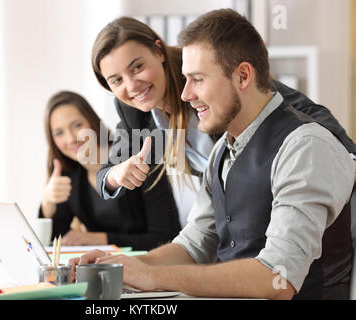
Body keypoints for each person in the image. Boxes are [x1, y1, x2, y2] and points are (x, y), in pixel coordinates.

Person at [72, 9, 355, 300]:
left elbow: (277, 276)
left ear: (243, 75)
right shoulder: (223, 150)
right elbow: (194, 245)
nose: (185, 94)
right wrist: (117, 268)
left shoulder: (303, 143)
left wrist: (153, 276)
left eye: (197, 79)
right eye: (116, 80)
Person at [92, 16, 356, 202]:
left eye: (137, 67)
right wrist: (117, 175)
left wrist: (346, 156)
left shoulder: (199, 70)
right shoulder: (134, 111)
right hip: (238, 207)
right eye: (116, 80)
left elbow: (286, 104)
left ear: (158, 51)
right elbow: (106, 176)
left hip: (282, 190)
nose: (132, 85)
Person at [38, 91, 180, 251]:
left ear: (92, 122)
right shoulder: (70, 174)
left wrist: (100, 239)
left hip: (151, 265)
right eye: (59, 133)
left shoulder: (137, 158)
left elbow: (166, 237)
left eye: (77, 125)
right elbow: (56, 240)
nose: (70, 138)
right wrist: (48, 202)